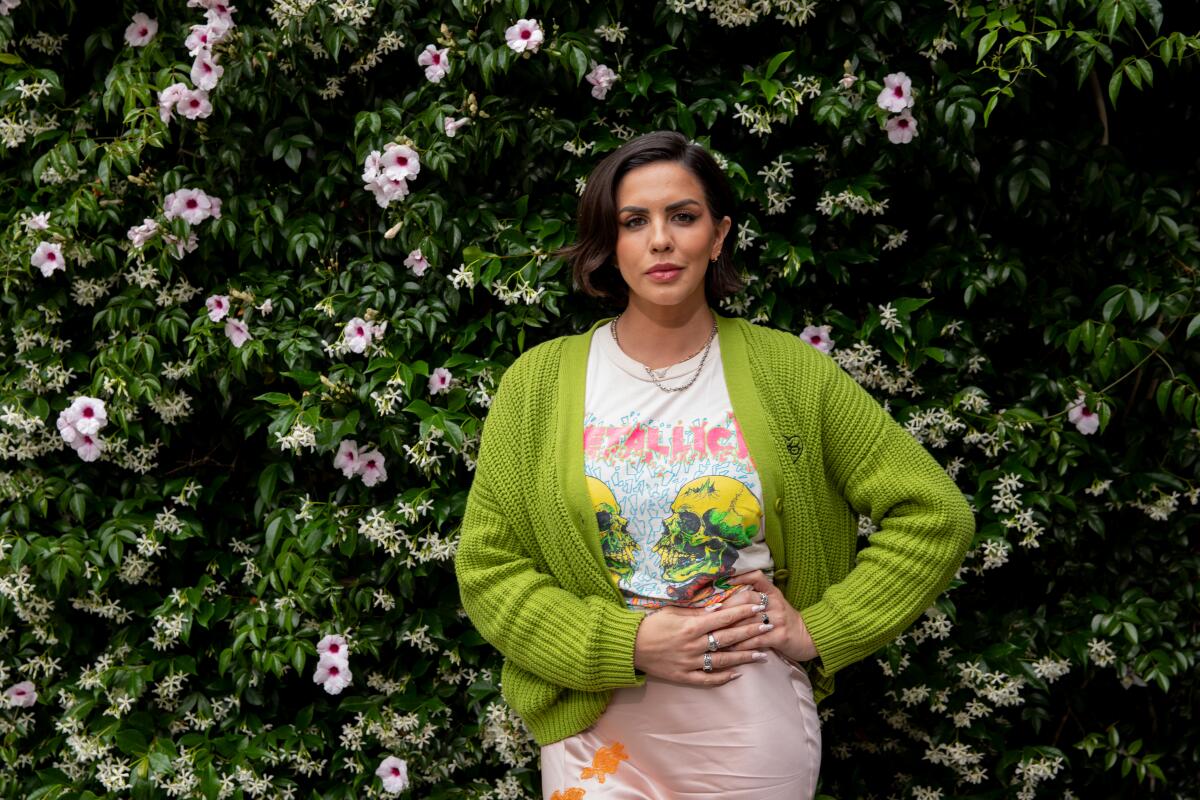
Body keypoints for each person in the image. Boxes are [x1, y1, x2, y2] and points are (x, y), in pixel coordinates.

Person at [455, 131, 974, 799]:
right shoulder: (538, 384)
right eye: (634, 221)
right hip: (593, 722)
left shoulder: (788, 373)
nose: (661, 240)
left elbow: (936, 513)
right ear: (609, 245)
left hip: (747, 724)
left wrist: (820, 627)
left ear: (720, 234)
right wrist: (630, 643)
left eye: (684, 216)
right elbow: (487, 568)